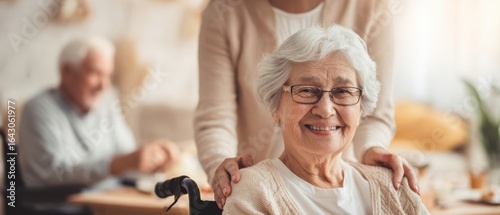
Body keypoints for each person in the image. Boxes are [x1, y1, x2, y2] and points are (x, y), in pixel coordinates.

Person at [195, 0, 418, 208]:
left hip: (340, 180)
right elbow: (216, 116)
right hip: (260, 186)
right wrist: (222, 169)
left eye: (341, 91)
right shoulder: (225, 11)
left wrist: (372, 148)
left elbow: (374, 107)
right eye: (306, 91)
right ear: (274, 107)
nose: (325, 110)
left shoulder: (371, 6)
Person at [19, 36, 179, 188]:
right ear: (67, 72)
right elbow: (53, 173)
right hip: (62, 205)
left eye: (108, 75)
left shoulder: (105, 109)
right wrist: (115, 165)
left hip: (104, 200)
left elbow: (127, 157)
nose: (103, 85)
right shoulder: (39, 109)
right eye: (95, 73)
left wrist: (154, 159)